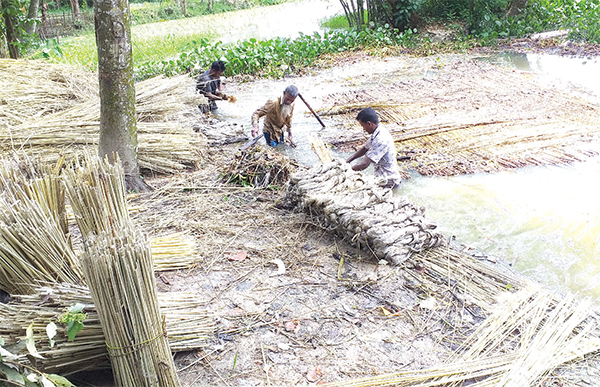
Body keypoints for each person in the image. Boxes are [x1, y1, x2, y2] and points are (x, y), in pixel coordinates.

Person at [346, 107, 402, 189]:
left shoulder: (381, 139)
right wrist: (347, 161)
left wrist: (347, 171)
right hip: (380, 176)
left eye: (363, 126)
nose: (363, 129)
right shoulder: (377, 132)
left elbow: (365, 164)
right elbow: (364, 149)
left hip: (389, 181)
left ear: (369, 123)